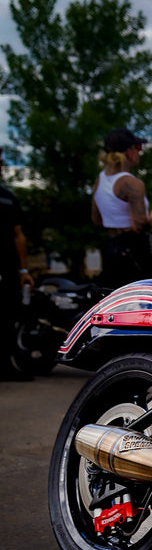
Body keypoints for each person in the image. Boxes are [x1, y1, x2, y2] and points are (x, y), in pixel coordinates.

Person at [91, 127, 152, 285]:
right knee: (140, 302)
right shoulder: (131, 183)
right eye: (138, 148)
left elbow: (96, 219)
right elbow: (139, 226)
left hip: (110, 249)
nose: (139, 152)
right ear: (128, 152)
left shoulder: (100, 180)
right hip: (134, 251)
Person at [1, 147, 34, 380]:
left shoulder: (8, 197)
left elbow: (18, 235)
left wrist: (23, 269)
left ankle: (5, 366)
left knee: (8, 316)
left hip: (8, 268)